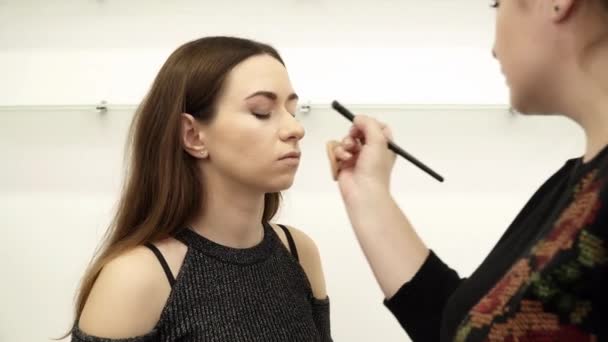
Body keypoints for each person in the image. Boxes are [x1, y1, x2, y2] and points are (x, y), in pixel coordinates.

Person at [330, 0, 608, 341]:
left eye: (497, 4)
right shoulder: (573, 186)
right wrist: (367, 191)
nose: (493, 49)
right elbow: (462, 326)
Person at [69, 36, 331, 341]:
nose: (295, 129)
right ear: (192, 135)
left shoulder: (298, 252)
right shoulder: (134, 280)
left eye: (292, 111)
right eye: (262, 111)